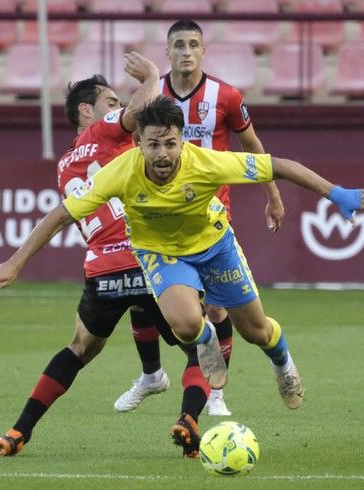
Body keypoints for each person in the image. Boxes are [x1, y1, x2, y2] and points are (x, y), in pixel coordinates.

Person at [0, 95, 364, 455]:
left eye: (170, 143)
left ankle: (283, 362)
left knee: (257, 331)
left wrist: (336, 193)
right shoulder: (120, 171)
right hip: (161, 254)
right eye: (153, 145)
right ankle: (206, 345)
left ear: (182, 140)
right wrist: (15, 262)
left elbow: (280, 166)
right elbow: (61, 214)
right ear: (137, 144)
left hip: (216, 248)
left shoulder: (206, 163)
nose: (163, 153)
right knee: (186, 325)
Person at [0, 57, 216, 459]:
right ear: (87, 111)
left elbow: (62, 216)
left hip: (103, 271)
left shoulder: (65, 163)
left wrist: (15, 262)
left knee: (79, 348)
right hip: (148, 257)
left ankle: (17, 433)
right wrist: (154, 77)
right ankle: (190, 419)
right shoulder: (106, 131)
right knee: (204, 342)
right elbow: (143, 110)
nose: (119, 106)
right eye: (111, 100)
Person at [114, 19, 285, 417]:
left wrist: (272, 195)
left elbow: (253, 148)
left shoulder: (225, 96)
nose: (187, 51)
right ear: (167, 52)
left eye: (194, 44)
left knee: (216, 308)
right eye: (179, 45)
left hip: (209, 211)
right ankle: (152, 374)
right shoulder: (152, 100)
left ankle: (216, 392)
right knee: (145, 300)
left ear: (203, 51)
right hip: (156, 213)